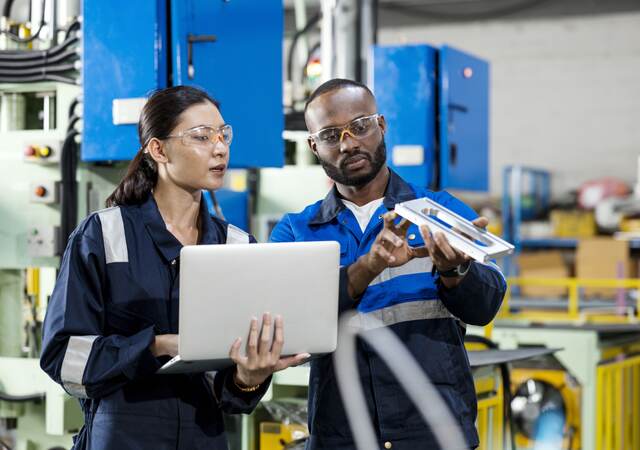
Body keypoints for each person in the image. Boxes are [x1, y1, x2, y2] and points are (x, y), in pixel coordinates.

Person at [40, 85, 307, 449]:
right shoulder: (103, 234)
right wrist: (156, 345)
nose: (220, 148)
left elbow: (231, 393)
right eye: (201, 136)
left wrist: (250, 375)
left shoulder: (236, 246)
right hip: (123, 435)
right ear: (158, 149)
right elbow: (62, 357)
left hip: (205, 435)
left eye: (223, 134)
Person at [270, 78, 507, 450]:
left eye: (360, 126)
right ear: (314, 145)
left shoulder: (439, 213)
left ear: (381, 125)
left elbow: (486, 307)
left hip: (433, 431)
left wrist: (454, 271)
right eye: (331, 135)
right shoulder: (297, 231)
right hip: (342, 434)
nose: (349, 143)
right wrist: (370, 265)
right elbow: (287, 323)